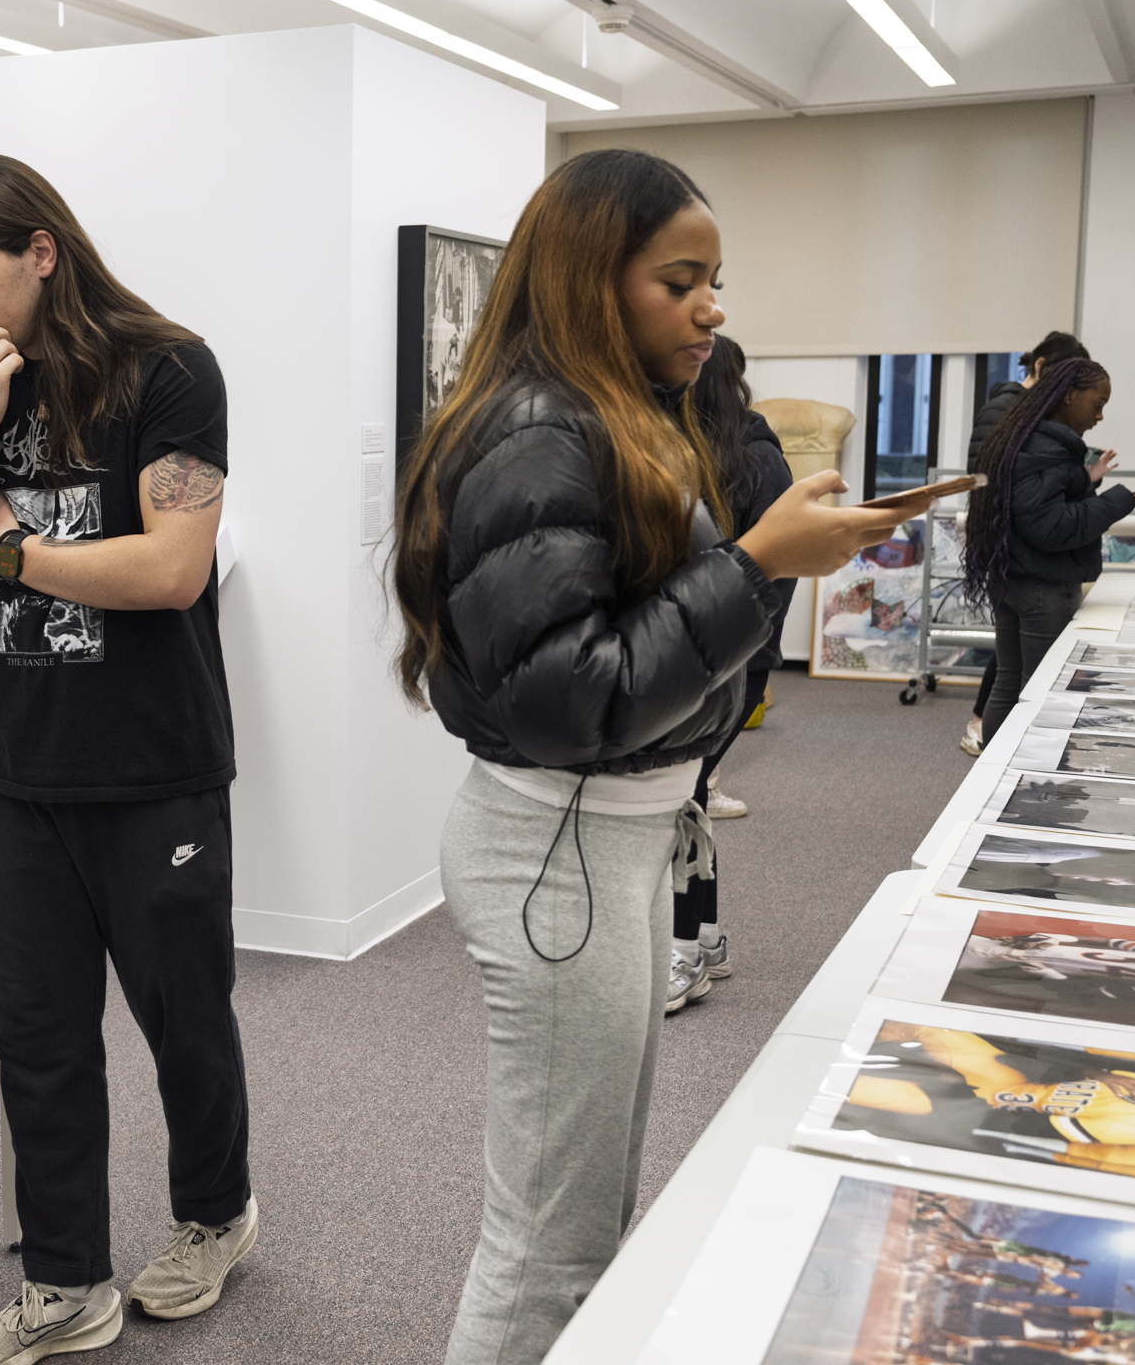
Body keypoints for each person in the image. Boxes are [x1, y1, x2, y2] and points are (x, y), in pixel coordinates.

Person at [389, 149, 927, 1362]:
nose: (713, 307)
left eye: (715, 280)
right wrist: (757, 565)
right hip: (557, 851)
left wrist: (765, 555)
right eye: (680, 280)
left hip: (604, 843)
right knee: (547, 1243)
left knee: (582, 1219)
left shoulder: (610, 419)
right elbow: (573, 701)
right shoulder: (539, 435)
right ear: (593, 281)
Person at [0, 154, 250, 1363]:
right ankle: (65, 1284)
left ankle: (216, 1212)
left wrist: (22, 554)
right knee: (38, 1036)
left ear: (40, 250)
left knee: (184, 1016)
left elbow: (170, 569)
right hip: (12, 761)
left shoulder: (168, 368)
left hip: (155, 762)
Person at [666, 333, 796, 1014]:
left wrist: (737, 657)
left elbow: (771, 582)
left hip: (729, 664)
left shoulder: (759, 463)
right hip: (698, 659)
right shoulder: (695, 455)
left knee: (674, 805)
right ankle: (703, 938)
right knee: (687, 803)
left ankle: (682, 952)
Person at [967, 357, 1135, 743]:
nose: (1100, 415)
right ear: (1070, 395)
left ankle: (997, 776)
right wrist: (1119, 501)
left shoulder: (1022, 438)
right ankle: (1029, 783)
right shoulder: (1049, 448)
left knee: (1009, 683)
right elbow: (1051, 528)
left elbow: (1036, 510)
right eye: (1097, 403)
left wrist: (1085, 485)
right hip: (1042, 587)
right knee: (1040, 689)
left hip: (1011, 577)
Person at [961, 331, 1088, 753]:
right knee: (1026, 680)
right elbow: (1016, 491)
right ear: (1041, 369)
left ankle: (990, 752)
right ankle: (999, 754)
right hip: (1018, 555)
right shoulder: (1013, 410)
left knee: (1011, 674)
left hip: (1007, 552)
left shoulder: (1009, 409)